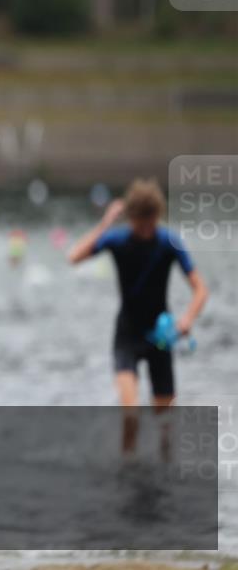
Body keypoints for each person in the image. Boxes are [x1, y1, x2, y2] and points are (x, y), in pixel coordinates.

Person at [68, 178, 208, 455]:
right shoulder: (117, 240)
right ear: (131, 219)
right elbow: (73, 257)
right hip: (127, 336)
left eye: (150, 224)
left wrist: (187, 320)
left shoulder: (169, 242)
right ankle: (128, 470)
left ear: (158, 216)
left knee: (165, 422)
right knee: (130, 414)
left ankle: (165, 466)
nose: (145, 231)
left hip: (161, 338)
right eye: (140, 224)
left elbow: (200, 289)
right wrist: (106, 223)